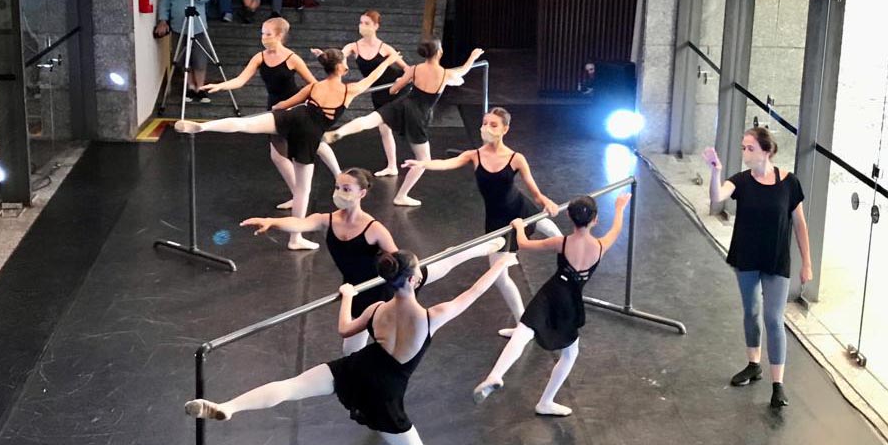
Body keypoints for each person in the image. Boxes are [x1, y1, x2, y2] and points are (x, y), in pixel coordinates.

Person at [185, 251, 516, 445]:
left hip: (356, 368)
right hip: (383, 392)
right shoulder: (432, 316)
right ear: (415, 280)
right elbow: (473, 293)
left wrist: (347, 296)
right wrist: (500, 263)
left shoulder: (376, 309)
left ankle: (229, 406)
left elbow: (345, 330)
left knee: (290, 386)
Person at [240, 167, 505, 354]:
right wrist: (272, 221)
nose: (339, 192)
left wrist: (412, 278)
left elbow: (399, 260)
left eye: (346, 189)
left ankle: (479, 248)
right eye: (337, 187)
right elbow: (300, 221)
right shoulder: (327, 220)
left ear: (361, 193)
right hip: (357, 291)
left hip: (387, 285)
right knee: (350, 350)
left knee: (444, 262)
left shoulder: (374, 228)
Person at [175, 49, 402, 250]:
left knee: (243, 125)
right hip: (310, 133)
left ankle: (203, 127)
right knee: (302, 190)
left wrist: (276, 110)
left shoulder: (314, 85)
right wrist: (389, 59)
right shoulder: (349, 90)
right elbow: (374, 76)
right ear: (342, 68)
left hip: (292, 117)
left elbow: (285, 104)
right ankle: (295, 239)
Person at [402, 107, 561, 336]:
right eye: (485, 123)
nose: (486, 128)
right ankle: (522, 325)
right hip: (497, 223)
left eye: (493, 124)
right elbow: (447, 163)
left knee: (557, 238)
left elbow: (536, 193)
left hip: (522, 210)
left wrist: (547, 202)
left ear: (505, 129)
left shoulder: (516, 158)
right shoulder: (473, 155)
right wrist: (423, 164)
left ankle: (574, 265)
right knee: (500, 276)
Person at [473, 193, 632, 416]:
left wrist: (519, 225)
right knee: (569, 354)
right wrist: (619, 208)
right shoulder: (600, 246)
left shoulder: (562, 242)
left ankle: (496, 374)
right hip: (571, 301)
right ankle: (546, 401)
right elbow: (616, 229)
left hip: (552, 292)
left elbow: (525, 244)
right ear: (595, 220)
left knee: (523, 332)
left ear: (569, 216)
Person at [702, 127, 812, 408]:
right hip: (747, 257)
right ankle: (754, 364)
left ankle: (778, 383)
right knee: (751, 311)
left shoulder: (789, 183)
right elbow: (717, 197)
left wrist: (807, 263)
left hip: (775, 259)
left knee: (774, 319)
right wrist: (716, 171)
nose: (745, 152)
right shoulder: (741, 181)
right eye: (743, 147)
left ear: (767, 151)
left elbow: (800, 224)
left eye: (750, 148)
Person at [324, 40, 485, 207]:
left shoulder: (415, 69)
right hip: (418, 115)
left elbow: (393, 90)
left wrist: (401, 80)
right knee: (423, 160)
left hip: (402, 104)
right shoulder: (445, 74)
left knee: (369, 120)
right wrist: (472, 57)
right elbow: (463, 71)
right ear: (439, 53)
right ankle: (401, 196)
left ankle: (340, 132)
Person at [200, 17, 341, 199]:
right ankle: (297, 194)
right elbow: (241, 80)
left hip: (295, 107)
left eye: (268, 34)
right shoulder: (260, 57)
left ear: (279, 35)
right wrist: (220, 86)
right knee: (277, 155)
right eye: (262, 34)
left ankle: (339, 175)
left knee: (317, 144)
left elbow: (314, 84)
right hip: (274, 108)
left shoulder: (292, 58)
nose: (263, 38)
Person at [311, 10, 410, 177]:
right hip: (377, 92)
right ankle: (392, 166)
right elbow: (338, 60)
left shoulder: (384, 48)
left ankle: (407, 157)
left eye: (367, 23)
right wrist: (323, 56)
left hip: (394, 89)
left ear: (376, 26)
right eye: (361, 23)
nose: (362, 26)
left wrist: (402, 82)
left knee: (394, 126)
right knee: (384, 129)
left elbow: (407, 69)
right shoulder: (353, 47)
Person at [155, 0, 214, 104]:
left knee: (200, 59)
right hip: (179, 26)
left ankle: (200, 89)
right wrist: (162, 19)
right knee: (182, 59)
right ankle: (189, 87)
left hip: (198, 25)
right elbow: (165, 2)